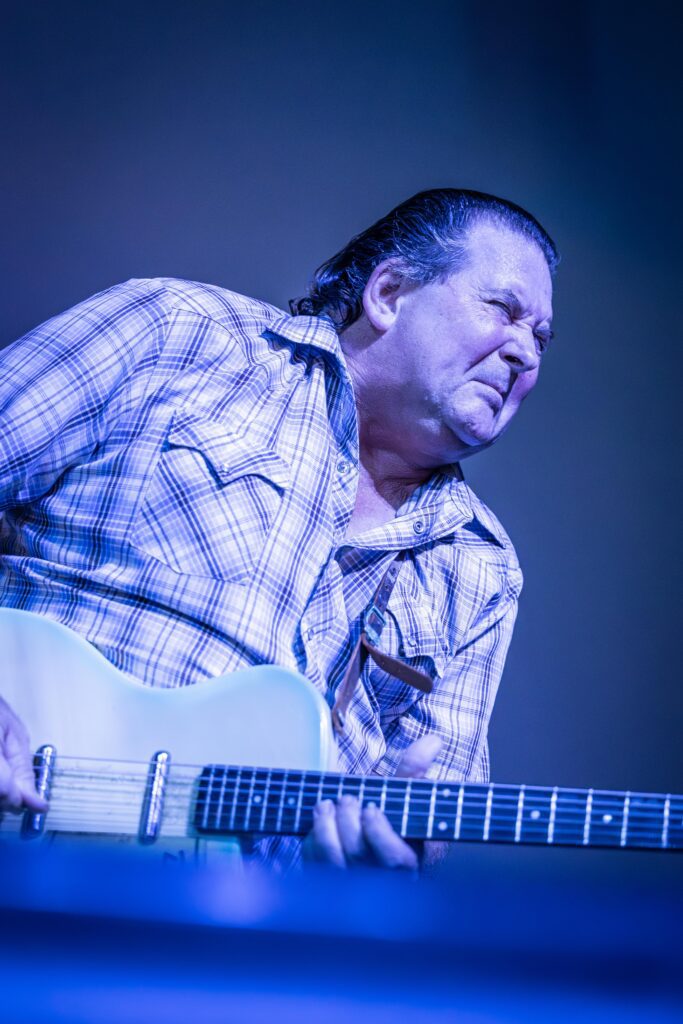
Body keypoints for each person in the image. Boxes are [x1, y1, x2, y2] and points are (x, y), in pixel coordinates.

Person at [0, 188, 556, 871]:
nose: (525, 353)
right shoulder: (176, 336)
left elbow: (429, 811)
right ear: (388, 293)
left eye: (540, 337)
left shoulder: (481, 567)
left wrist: (387, 857)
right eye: (504, 310)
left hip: (221, 944)